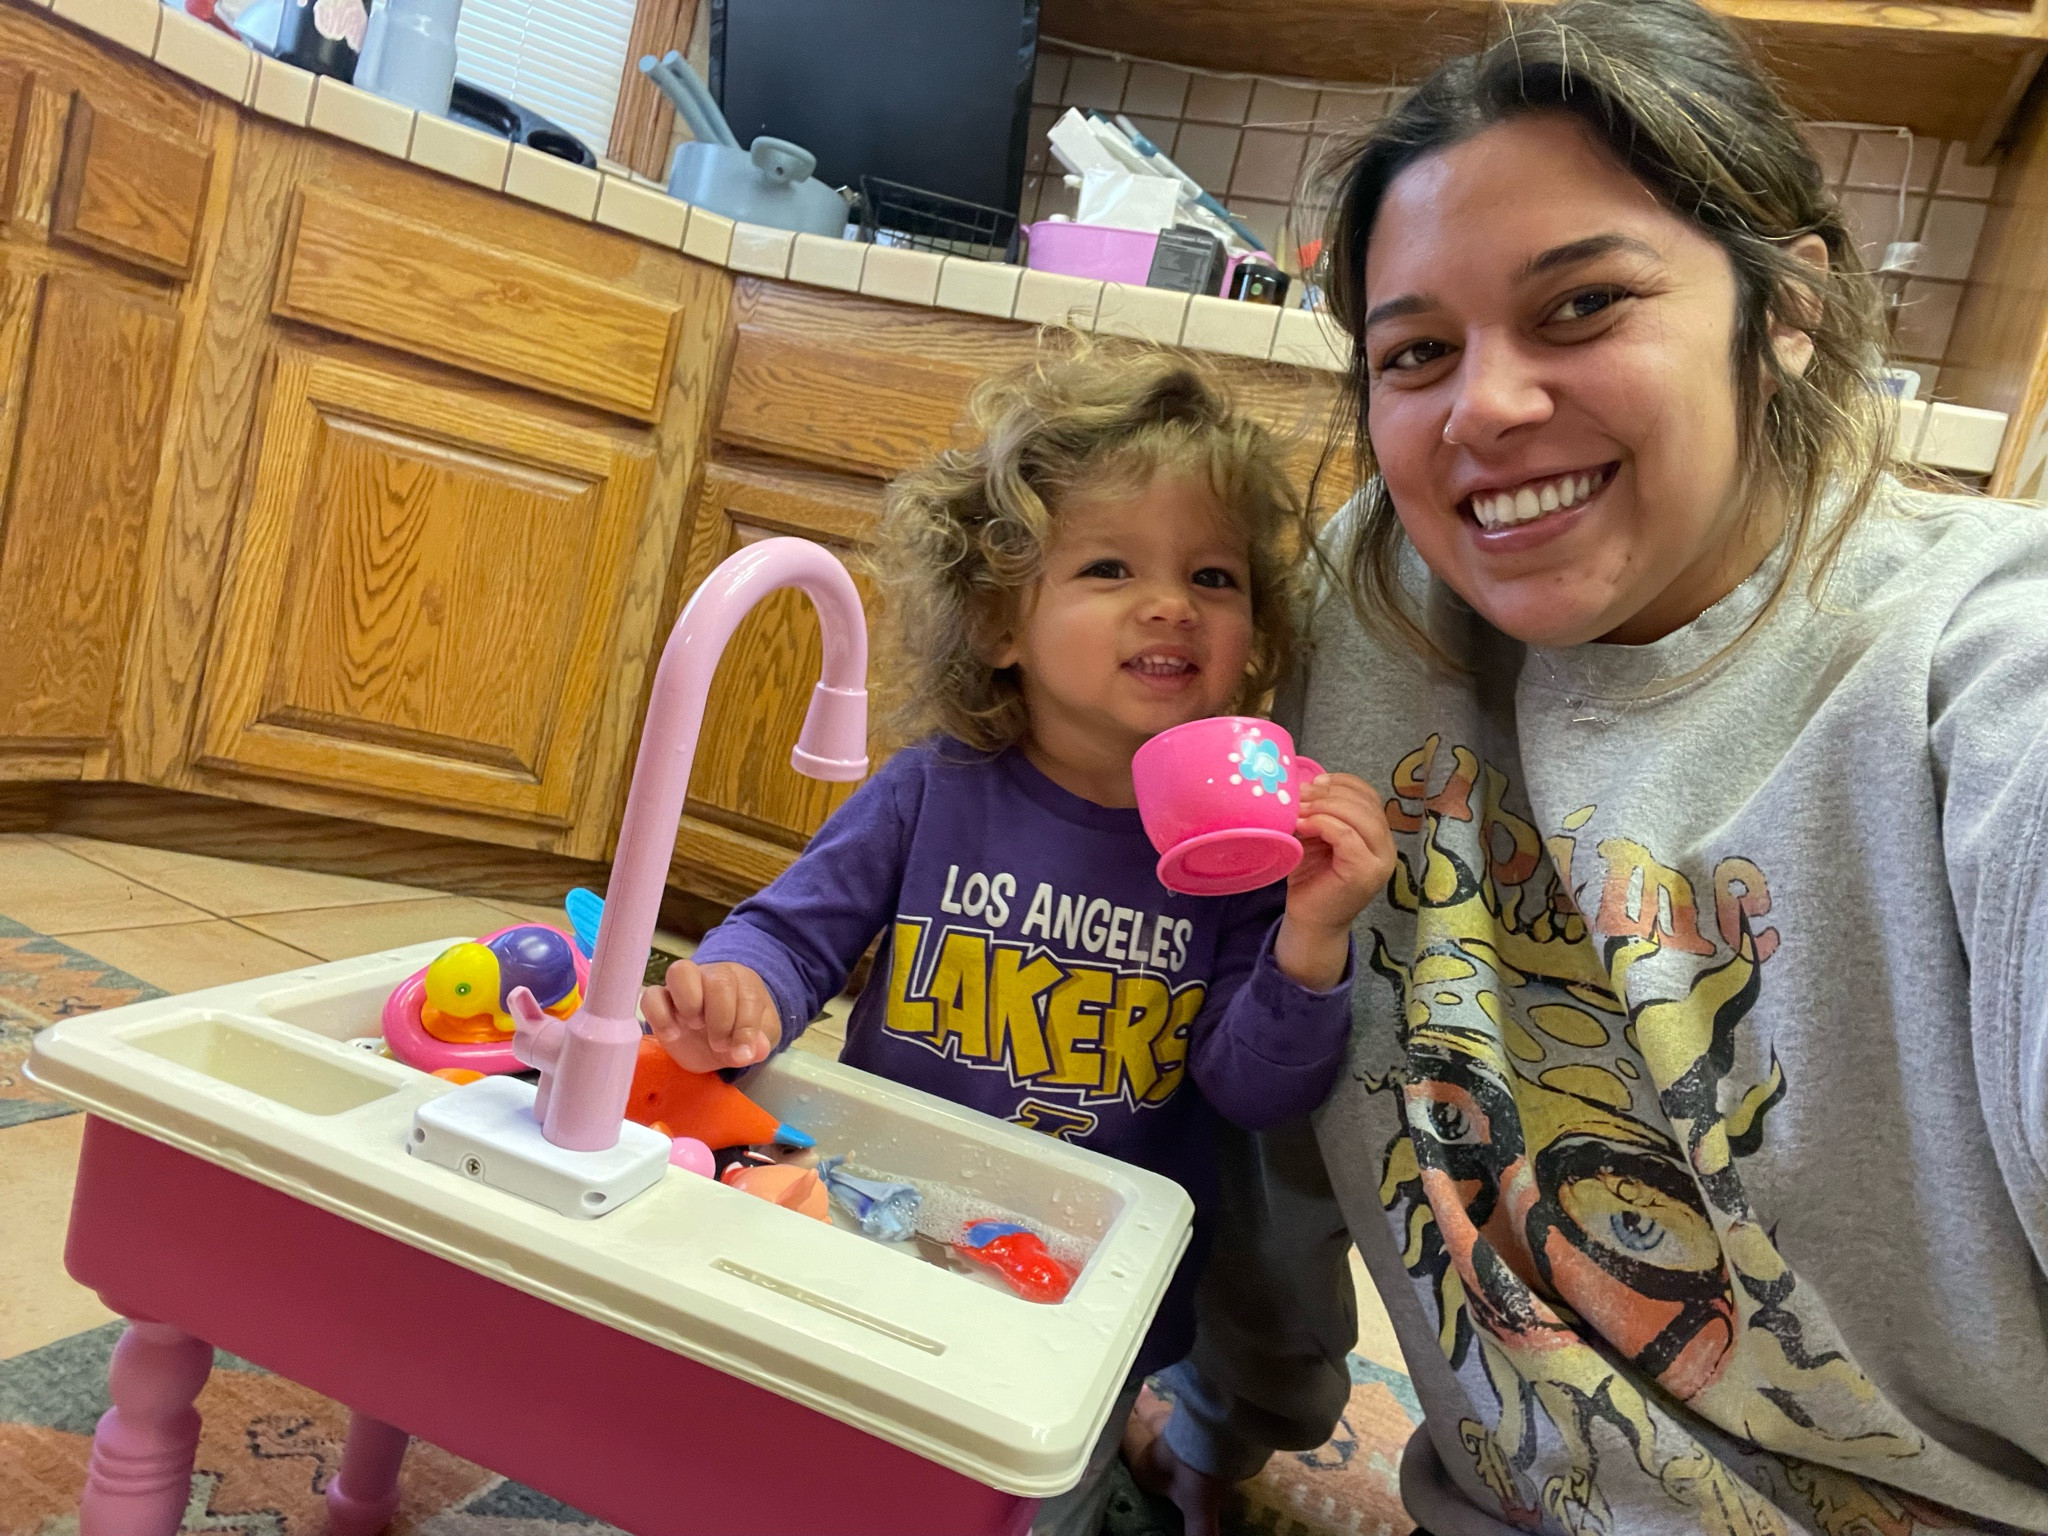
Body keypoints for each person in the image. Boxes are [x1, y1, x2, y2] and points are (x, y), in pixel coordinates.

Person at [1146, 0, 2048, 1531]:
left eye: (1582, 307)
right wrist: (1228, 1428)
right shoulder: (1362, 609)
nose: (1485, 408)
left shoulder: (1982, 673)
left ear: (1784, 310)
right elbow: (1280, 1097)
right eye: (1416, 350)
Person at [640, 342, 1397, 1536]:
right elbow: (793, 936)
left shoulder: (1248, 856)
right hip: (876, 1215)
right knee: (823, 1466)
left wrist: (1308, 935)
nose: (1170, 604)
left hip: (1086, 1293)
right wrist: (739, 990)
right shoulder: (931, 792)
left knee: (1021, 1506)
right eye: (1108, 567)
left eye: (1213, 574)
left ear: (1252, 633)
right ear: (1000, 620)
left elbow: (1253, 1093)